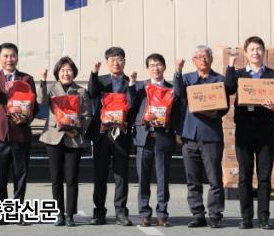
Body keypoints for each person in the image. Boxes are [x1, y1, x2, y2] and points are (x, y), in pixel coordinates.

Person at [224, 36, 274, 230]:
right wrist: (230, 66)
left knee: (264, 176)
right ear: (246, 53)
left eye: (259, 49)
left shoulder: (273, 76)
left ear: (264, 52)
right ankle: (246, 218)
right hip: (244, 130)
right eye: (252, 49)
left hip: (265, 130)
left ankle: (263, 218)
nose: (255, 52)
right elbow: (228, 89)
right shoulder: (239, 74)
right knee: (244, 175)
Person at [0, 42, 37, 225]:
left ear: (17, 58)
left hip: (20, 134)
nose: (9, 59)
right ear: (0, 58)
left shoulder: (26, 79)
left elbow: (34, 106)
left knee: (20, 176)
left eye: (12, 55)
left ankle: (18, 213)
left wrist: (26, 118)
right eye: (5, 56)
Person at [173, 46, 227, 228]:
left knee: (214, 179)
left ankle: (215, 215)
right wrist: (178, 70)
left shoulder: (219, 80)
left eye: (206, 56)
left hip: (211, 136)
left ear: (211, 59)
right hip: (189, 135)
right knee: (192, 179)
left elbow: (224, 108)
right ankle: (197, 214)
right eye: (198, 57)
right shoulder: (187, 79)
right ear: (193, 61)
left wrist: (210, 111)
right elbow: (178, 94)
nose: (202, 59)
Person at [38, 57, 91, 227]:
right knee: (56, 179)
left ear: (74, 73)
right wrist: (43, 80)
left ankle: (69, 214)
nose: (66, 73)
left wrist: (78, 129)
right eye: (62, 70)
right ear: (57, 73)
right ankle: (58, 213)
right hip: (53, 137)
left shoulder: (81, 91)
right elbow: (41, 101)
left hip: (74, 138)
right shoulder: (51, 89)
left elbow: (87, 115)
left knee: (72, 178)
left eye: (69, 70)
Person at [86, 46, 135, 226]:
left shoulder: (131, 81)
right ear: (107, 62)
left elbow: (134, 105)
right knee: (100, 174)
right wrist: (94, 72)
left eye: (119, 59)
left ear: (124, 62)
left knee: (121, 175)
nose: (116, 62)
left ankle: (121, 212)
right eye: (112, 59)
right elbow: (92, 93)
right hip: (102, 134)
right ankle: (99, 212)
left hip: (122, 133)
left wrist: (132, 86)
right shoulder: (100, 80)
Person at [131, 53, 179, 227]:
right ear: (147, 68)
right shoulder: (139, 87)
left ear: (164, 67)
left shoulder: (172, 89)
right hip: (143, 138)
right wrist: (131, 83)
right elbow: (131, 105)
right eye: (151, 65)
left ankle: (162, 215)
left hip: (163, 137)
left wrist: (166, 121)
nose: (155, 68)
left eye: (158, 64)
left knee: (163, 179)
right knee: (143, 179)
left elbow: (177, 114)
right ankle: (144, 213)